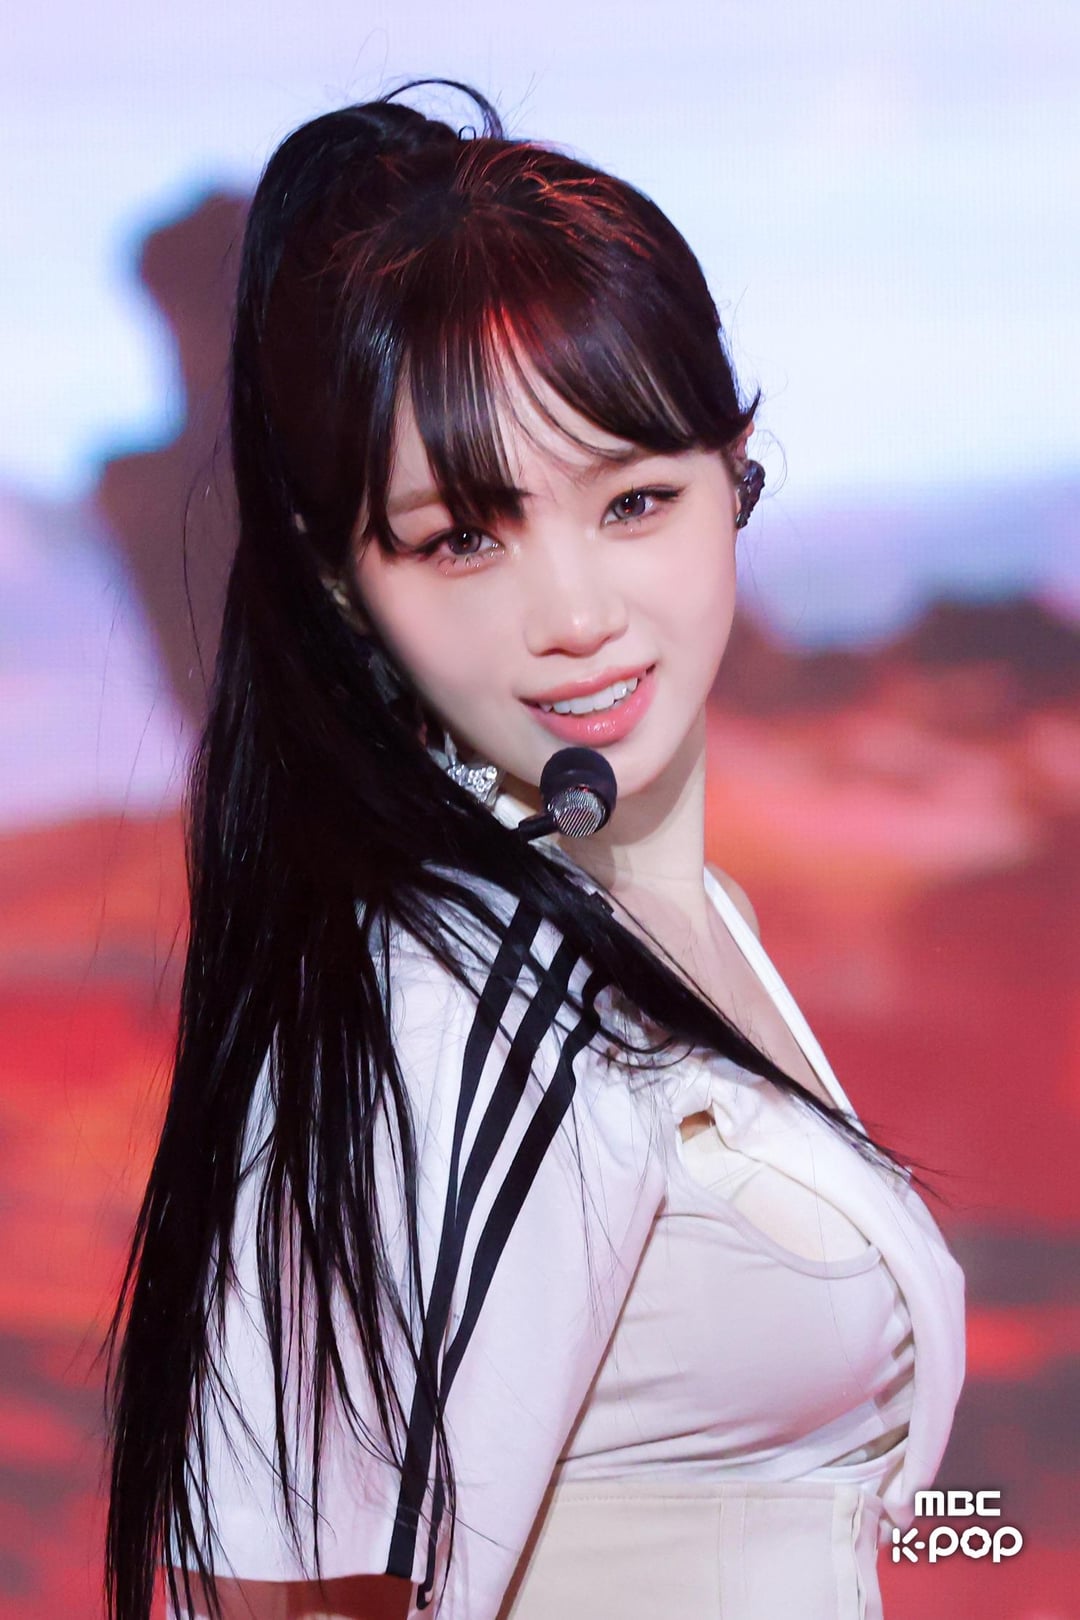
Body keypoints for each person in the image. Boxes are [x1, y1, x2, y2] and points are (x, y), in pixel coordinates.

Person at [104, 81, 966, 1620]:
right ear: (346, 584)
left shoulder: (664, 913)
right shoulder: (463, 1005)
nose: (574, 614)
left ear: (738, 478)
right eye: (463, 537)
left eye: (635, 500)